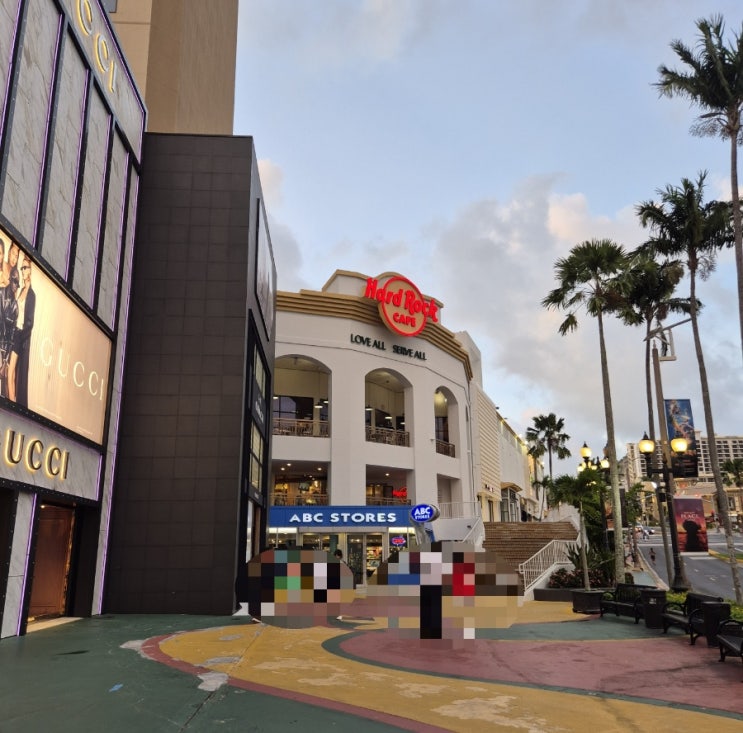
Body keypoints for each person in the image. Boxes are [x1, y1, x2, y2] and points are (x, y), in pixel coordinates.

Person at [7, 256, 35, 407]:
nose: (23, 270)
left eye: (25, 268)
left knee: (12, 373)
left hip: (20, 336)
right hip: (13, 333)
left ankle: (13, 407)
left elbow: (29, 324)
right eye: (22, 267)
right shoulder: (22, 290)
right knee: (10, 373)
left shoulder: (31, 295)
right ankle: (13, 403)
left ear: (30, 270)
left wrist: (19, 336)